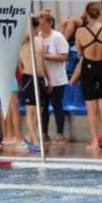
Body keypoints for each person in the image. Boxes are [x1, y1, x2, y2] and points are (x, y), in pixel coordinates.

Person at [75, 2, 102, 149]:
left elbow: (79, 51)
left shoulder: (80, 31)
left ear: (87, 14)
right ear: (99, 13)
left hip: (88, 66)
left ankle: (96, 140)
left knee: (91, 107)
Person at [38, 10, 69, 143]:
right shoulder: (38, 36)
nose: (42, 27)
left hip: (57, 78)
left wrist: (46, 57)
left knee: (57, 105)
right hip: (43, 78)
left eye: (44, 24)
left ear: (50, 23)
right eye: (40, 25)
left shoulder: (57, 37)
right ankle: (44, 133)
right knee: (43, 107)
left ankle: (60, 132)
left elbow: (64, 56)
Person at [19, 17, 46, 152]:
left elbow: (43, 60)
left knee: (39, 110)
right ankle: (35, 140)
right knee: (30, 110)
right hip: (28, 77)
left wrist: (48, 79)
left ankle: (30, 136)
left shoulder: (40, 41)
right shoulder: (22, 41)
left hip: (40, 78)